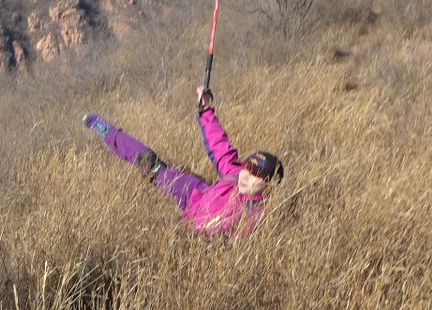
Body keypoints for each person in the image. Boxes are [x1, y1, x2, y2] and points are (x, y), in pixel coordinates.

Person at [82, 86, 282, 238]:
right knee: (150, 163)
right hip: (197, 194)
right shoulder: (235, 173)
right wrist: (206, 110)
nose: (245, 176)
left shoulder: (256, 216)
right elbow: (219, 143)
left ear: (269, 185)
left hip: (192, 225)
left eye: (256, 175)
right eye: (247, 168)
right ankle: (109, 132)